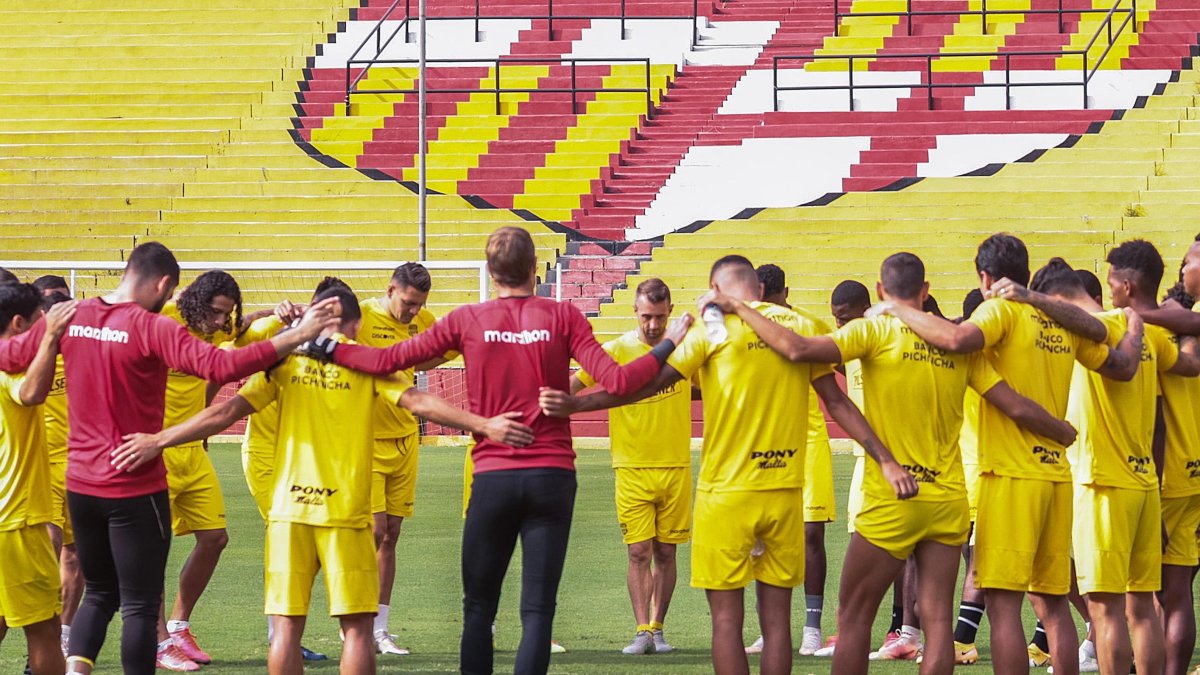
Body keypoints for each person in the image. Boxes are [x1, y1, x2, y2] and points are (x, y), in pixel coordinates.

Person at [299, 226, 690, 675]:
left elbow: (390, 360)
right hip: (552, 476)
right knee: (538, 610)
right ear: (533, 268)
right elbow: (621, 381)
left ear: (489, 271)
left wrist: (327, 346)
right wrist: (670, 341)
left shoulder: (468, 319)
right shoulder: (563, 316)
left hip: (494, 478)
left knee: (479, 609)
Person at [112, 285, 535, 675]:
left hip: (289, 510)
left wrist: (159, 439)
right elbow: (419, 402)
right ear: (355, 324)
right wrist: (486, 424)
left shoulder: (284, 363)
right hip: (346, 510)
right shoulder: (368, 362)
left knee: (286, 627)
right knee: (356, 628)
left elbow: (225, 411)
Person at [707, 253, 1080, 674]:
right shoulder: (956, 343)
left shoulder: (872, 331)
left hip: (892, 497)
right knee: (938, 622)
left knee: (854, 619)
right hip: (947, 498)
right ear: (925, 292)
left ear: (881, 292)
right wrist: (1061, 429)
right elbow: (1014, 405)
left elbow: (797, 349)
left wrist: (738, 306)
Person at [542, 254, 916, 675]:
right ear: (758, 289)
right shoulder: (804, 327)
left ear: (716, 290)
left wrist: (577, 404)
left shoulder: (707, 331)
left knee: (726, 623)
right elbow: (837, 402)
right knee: (776, 624)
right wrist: (884, 458)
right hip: (783, 489)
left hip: (726, 495)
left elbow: (646, 386)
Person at [0, 242, 340, 675]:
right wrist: (296, 335)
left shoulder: (73, 316)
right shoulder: (151, 327)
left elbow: (9, 354)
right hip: (134, 483)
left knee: (100, 593)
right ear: (164, 284)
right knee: (139, 605)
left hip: (81, 485)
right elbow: (220, 367)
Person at [869, 234, 1142, 675]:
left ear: (985, 276)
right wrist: (1132, 327)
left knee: (1003, 607)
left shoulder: (998, 309)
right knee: (1055, 606)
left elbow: (959, 341)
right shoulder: (1056, 319)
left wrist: (896, 308)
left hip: (1010, 475)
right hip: (1056, 475)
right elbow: (1119, 365)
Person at [1034, 249, 1200, 675]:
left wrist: (1029, 300)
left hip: (1102, 483)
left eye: (1111, 283)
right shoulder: (1144, 334)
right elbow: (1188, 366)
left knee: (1106, 611)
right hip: (1145, 482)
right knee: (1142, 608)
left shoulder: (1101, 329)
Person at [156, 269, 277, 669]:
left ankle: (178, 625)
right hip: (155, 449)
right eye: (217, 313)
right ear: (194, 301)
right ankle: (157, 644)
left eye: (227, 314)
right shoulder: (163, 318)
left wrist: (274, 311)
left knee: (214, 538)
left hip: (191, 449)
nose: (222, 322)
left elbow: (242, 330)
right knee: (151, 551)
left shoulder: (215, 327)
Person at [569, 278, 692, 655]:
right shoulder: (617, 350)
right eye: (645, 317)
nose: (652, 325)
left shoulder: (688, 350)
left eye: (658, 317)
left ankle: (658, 628)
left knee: (667, 553)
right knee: (638, 551)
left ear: (669, 312)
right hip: (631, 467)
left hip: (675, 466)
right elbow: (574, 383)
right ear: (634, 313)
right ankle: (640, 630)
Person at [356, 262, 453, 656]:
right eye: (409, 303)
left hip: (404, 439)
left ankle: (381, 629)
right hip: (365, 440)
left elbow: (442, 349)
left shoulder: (424, 319)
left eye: (419, 305)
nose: (413, 312)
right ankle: (357, 625)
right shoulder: (362, 316)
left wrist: (414, 363)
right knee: (372, 532)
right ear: (391, 289)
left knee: (391, 535)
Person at [0, 283, 75, 675]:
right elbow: (30, 394)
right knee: (45, 629)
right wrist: (50, 337)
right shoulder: (10, 369)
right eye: (36, 322)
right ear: (18, 323)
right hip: (17, 521)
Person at [38, 290, 84, 657]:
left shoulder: (84, 353)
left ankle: (63, 632)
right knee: (46, 550)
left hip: (83, 468)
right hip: (41, 469)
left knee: (78, 556)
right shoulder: (28, 357)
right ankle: (41, 631)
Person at [951, 288, 987, 666]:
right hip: (973, 475)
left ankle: (961, 641)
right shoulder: (988, 358)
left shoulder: (956, 355)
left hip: (978, 476)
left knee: (982, 564)